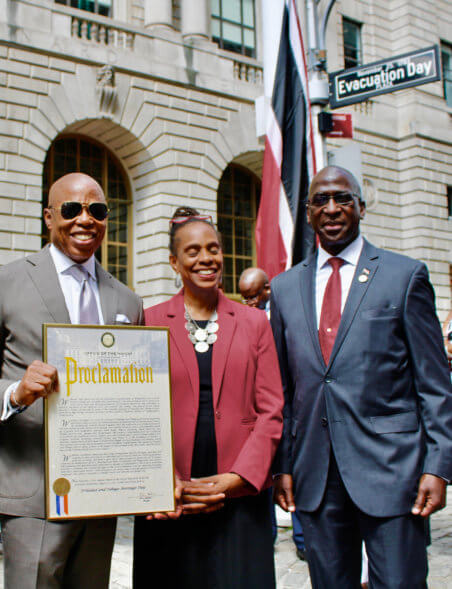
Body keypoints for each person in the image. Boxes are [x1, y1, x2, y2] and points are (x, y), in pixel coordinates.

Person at [0, 172, 144, 588]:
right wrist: (15, 392)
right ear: (48, 216)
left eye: (96, 210)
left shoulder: (127, 301)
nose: (85, 219)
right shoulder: (1, 285)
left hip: (101, 486)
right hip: (31, 480)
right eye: (71, 209)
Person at [270, 165, 452, 588]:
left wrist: (438, 466)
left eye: (342, 198)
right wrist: (283, 466)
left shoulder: (404, 276)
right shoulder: (284, 288)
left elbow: (434, 384)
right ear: (309, 212)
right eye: (320, 200)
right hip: (316, 476)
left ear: (361, 207)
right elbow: (284, 389)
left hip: (394, 473)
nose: (331, 209)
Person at [132, 207, 283, 588]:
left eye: (213, 248)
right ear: (174, 261)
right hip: (170, 492)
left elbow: (271, 410)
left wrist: (237, 478)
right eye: (193, 250)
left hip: (239, 490)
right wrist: (161, 479)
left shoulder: (254, 323)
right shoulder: (148, 321)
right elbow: (135, 412)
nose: (206, 258)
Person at [238, 266, 307, 561]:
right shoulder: (244, 322)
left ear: (267, 290)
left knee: (298, 473)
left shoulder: (286, 316)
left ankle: (304, 539)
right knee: (262, 477)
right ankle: (267, 535)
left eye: (254, 296)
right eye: (245, 298)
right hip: (257, 417)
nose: (250, 303)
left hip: (291, 412)